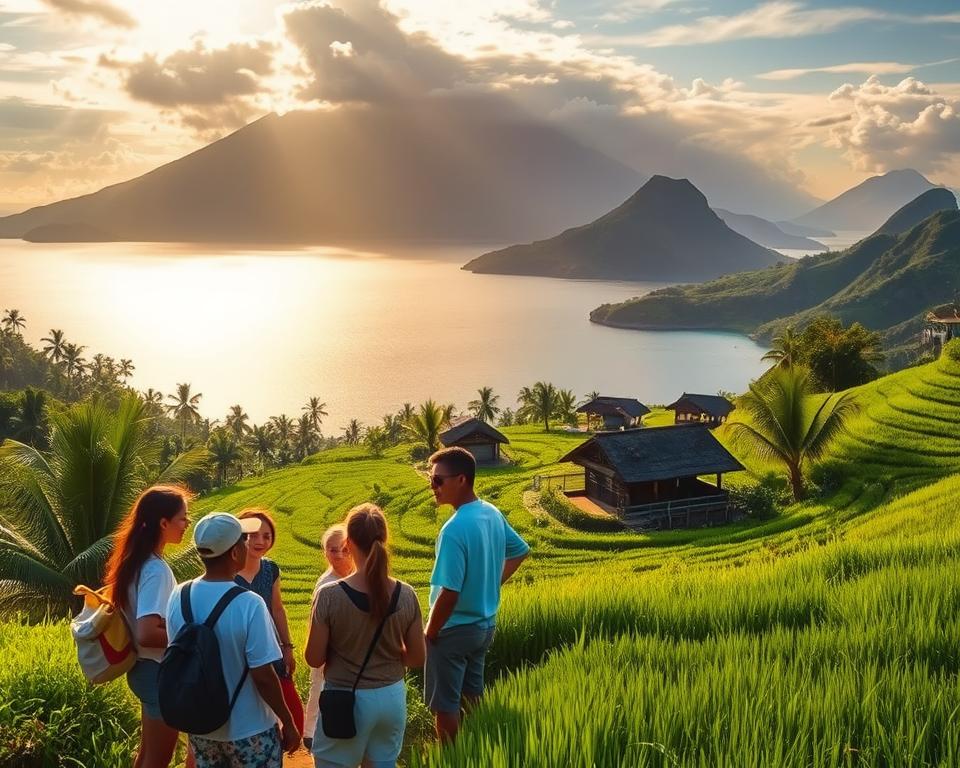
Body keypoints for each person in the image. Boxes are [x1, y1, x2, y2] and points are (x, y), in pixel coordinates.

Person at [166, 512, 301, 767]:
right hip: (251, 729)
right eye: (242, 541)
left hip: (203, 728)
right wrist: (288, 721)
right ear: (235, 553)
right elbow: (263, 676)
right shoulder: (249, 603)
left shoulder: (178, 595)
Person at [305, 504, 425, 768]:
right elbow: (417, 657)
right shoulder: (406, 594)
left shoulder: (329, 595)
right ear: (384, 540)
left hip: (346, 698)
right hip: (392, 698)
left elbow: (314, 658)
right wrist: (389, 654)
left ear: (347, 543)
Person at [423, 447, 529, 744]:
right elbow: (520, 551)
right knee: (472, 693)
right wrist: (490, 584)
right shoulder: (490, 513)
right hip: (484, 625)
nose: (433, 487)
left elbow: (449, 592)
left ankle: (451, 756)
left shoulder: (454, 529)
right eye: (431, 480)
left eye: (437, 481)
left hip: (453, 629)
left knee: (445, 705)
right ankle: (474, 747)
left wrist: (430, 632)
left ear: (461, 479)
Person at [104, 485, 193, 768]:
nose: (186, 524)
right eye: (183, 518)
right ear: (163, 523)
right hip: (156, 671)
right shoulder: (155, 569)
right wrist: (189, 640)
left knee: (146, 757)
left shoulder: (136, 562)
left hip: (144, 670)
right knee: (157, 759)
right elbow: (146, 631)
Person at [234, 508, 305, 737]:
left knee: (287, 707)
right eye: (252, 535)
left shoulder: (271, 569)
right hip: (239, 652)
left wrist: (287, 646)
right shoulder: (227, 572)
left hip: (271, 649)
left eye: (266, 535)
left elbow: (277, 609)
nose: (260, 541)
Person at [303, 523, 355, 751]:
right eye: (333, 550)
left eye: (344, 549)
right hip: (329, 649)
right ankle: (311, 734)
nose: (340, 555)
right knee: (321, 688)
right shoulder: (325, 584)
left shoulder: (358, 577)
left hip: (351, 650)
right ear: (325, 552)